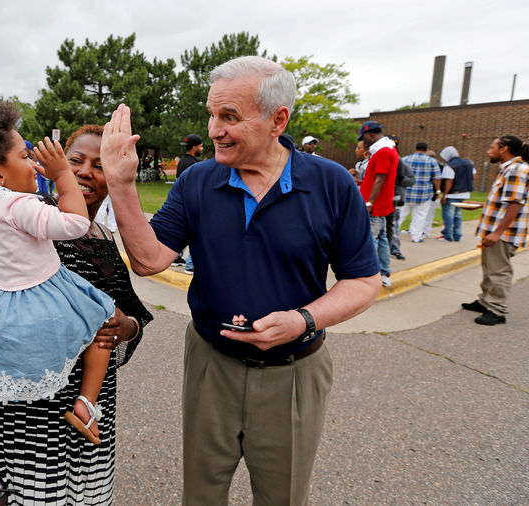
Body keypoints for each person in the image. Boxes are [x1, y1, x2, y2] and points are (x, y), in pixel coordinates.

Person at [101, 56, 380, 505]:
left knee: (281, 496)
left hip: (294, 372)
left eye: (229, 116)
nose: (213, 129)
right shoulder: (197, 180)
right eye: (212, 114)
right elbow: (149, 260)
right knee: (202, 495)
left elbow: (364, 282)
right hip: (212, 365)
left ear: (278, 119)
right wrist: (121, 184)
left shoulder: (331, 184)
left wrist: (303, 319)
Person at [0, 123, 152, 505]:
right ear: (55, 163)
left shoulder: (104, 237)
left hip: (90, 408)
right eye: (75, 159)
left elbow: (130, 310)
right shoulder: (26, 213)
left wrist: (126, 327)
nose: (83, 171)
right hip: (25, 412)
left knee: (88, 496)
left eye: (100, 165)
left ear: (114, 176)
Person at [462, 135, 529, 326]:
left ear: (504, 149)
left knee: (499, 270)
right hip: (494, 229)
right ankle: (485, 301)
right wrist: (480, 205)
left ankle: (497, 310)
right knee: (489, 268)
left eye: (491, 147)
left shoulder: (517, 170)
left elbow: (514, 204)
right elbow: (505, 200)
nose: (488, 151)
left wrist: (497, 232)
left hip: (503, 232)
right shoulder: (508, 169)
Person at [358, 120, 398, 287]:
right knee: (381, 240)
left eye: (364, 137)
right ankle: (384, 273)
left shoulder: (382, 152)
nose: (363, 141)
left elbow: (379, 180)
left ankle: (369, 275)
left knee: (371, 241)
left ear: (371, 135)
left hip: (374, 206)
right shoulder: (389, 150)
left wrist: (369, 202)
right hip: (381, 205)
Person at [173, 133, 205, 271]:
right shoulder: (194, 164)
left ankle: (175, 257)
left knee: (183, 231)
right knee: (196, 232)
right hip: (193, 203)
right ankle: (191, 265)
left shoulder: (182, 161)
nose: (202, 149)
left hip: (181, 202)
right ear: (194, 147)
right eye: (201, 146)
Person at [399, 142, 441, 243]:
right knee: (420, 216)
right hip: (424, 193)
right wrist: (438, 190)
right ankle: (416, 237)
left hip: (406, 192)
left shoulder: (405, 159)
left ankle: (391, 234)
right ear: (426, 150)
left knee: (400, 214)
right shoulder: (432, 161)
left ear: (415, 148)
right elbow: (437, 178)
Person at [438, 146, 475, 242]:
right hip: (465, 193)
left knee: (448, 215)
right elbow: (473, 176)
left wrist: (444, 195)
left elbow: (449, 181)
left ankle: (448, 235)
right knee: (458, 215)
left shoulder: (450, 165)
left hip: (452, 194)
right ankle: (457, 235)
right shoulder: (469, 163)